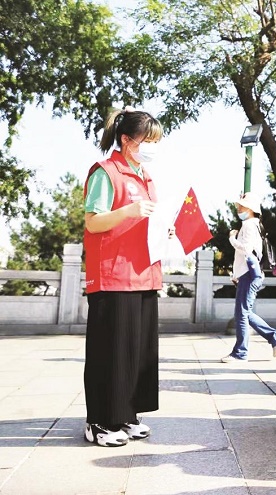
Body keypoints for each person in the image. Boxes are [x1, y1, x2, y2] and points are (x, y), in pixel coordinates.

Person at [82, 107, 165, 447]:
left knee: (137, 351)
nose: (154, 147)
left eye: (157, 141)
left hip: (144, 273)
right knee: (111, 351)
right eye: (149, 140)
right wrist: (128, 210)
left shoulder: (146, 177)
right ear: (127, 139)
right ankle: (100, 422)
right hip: (114, 275)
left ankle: (127, 414)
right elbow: (93, 222)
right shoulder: (106, 172)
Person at [221, 192, 276, 362]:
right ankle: (275, 337)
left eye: (242, 206)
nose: (238, 209)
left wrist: (232, 238)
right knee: (244, 313)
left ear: (250, 208)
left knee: (242, 314)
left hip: (248, 274)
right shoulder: (255, 224)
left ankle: (240, 352)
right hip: (249, 273)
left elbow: (246, 249)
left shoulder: (249, 225)